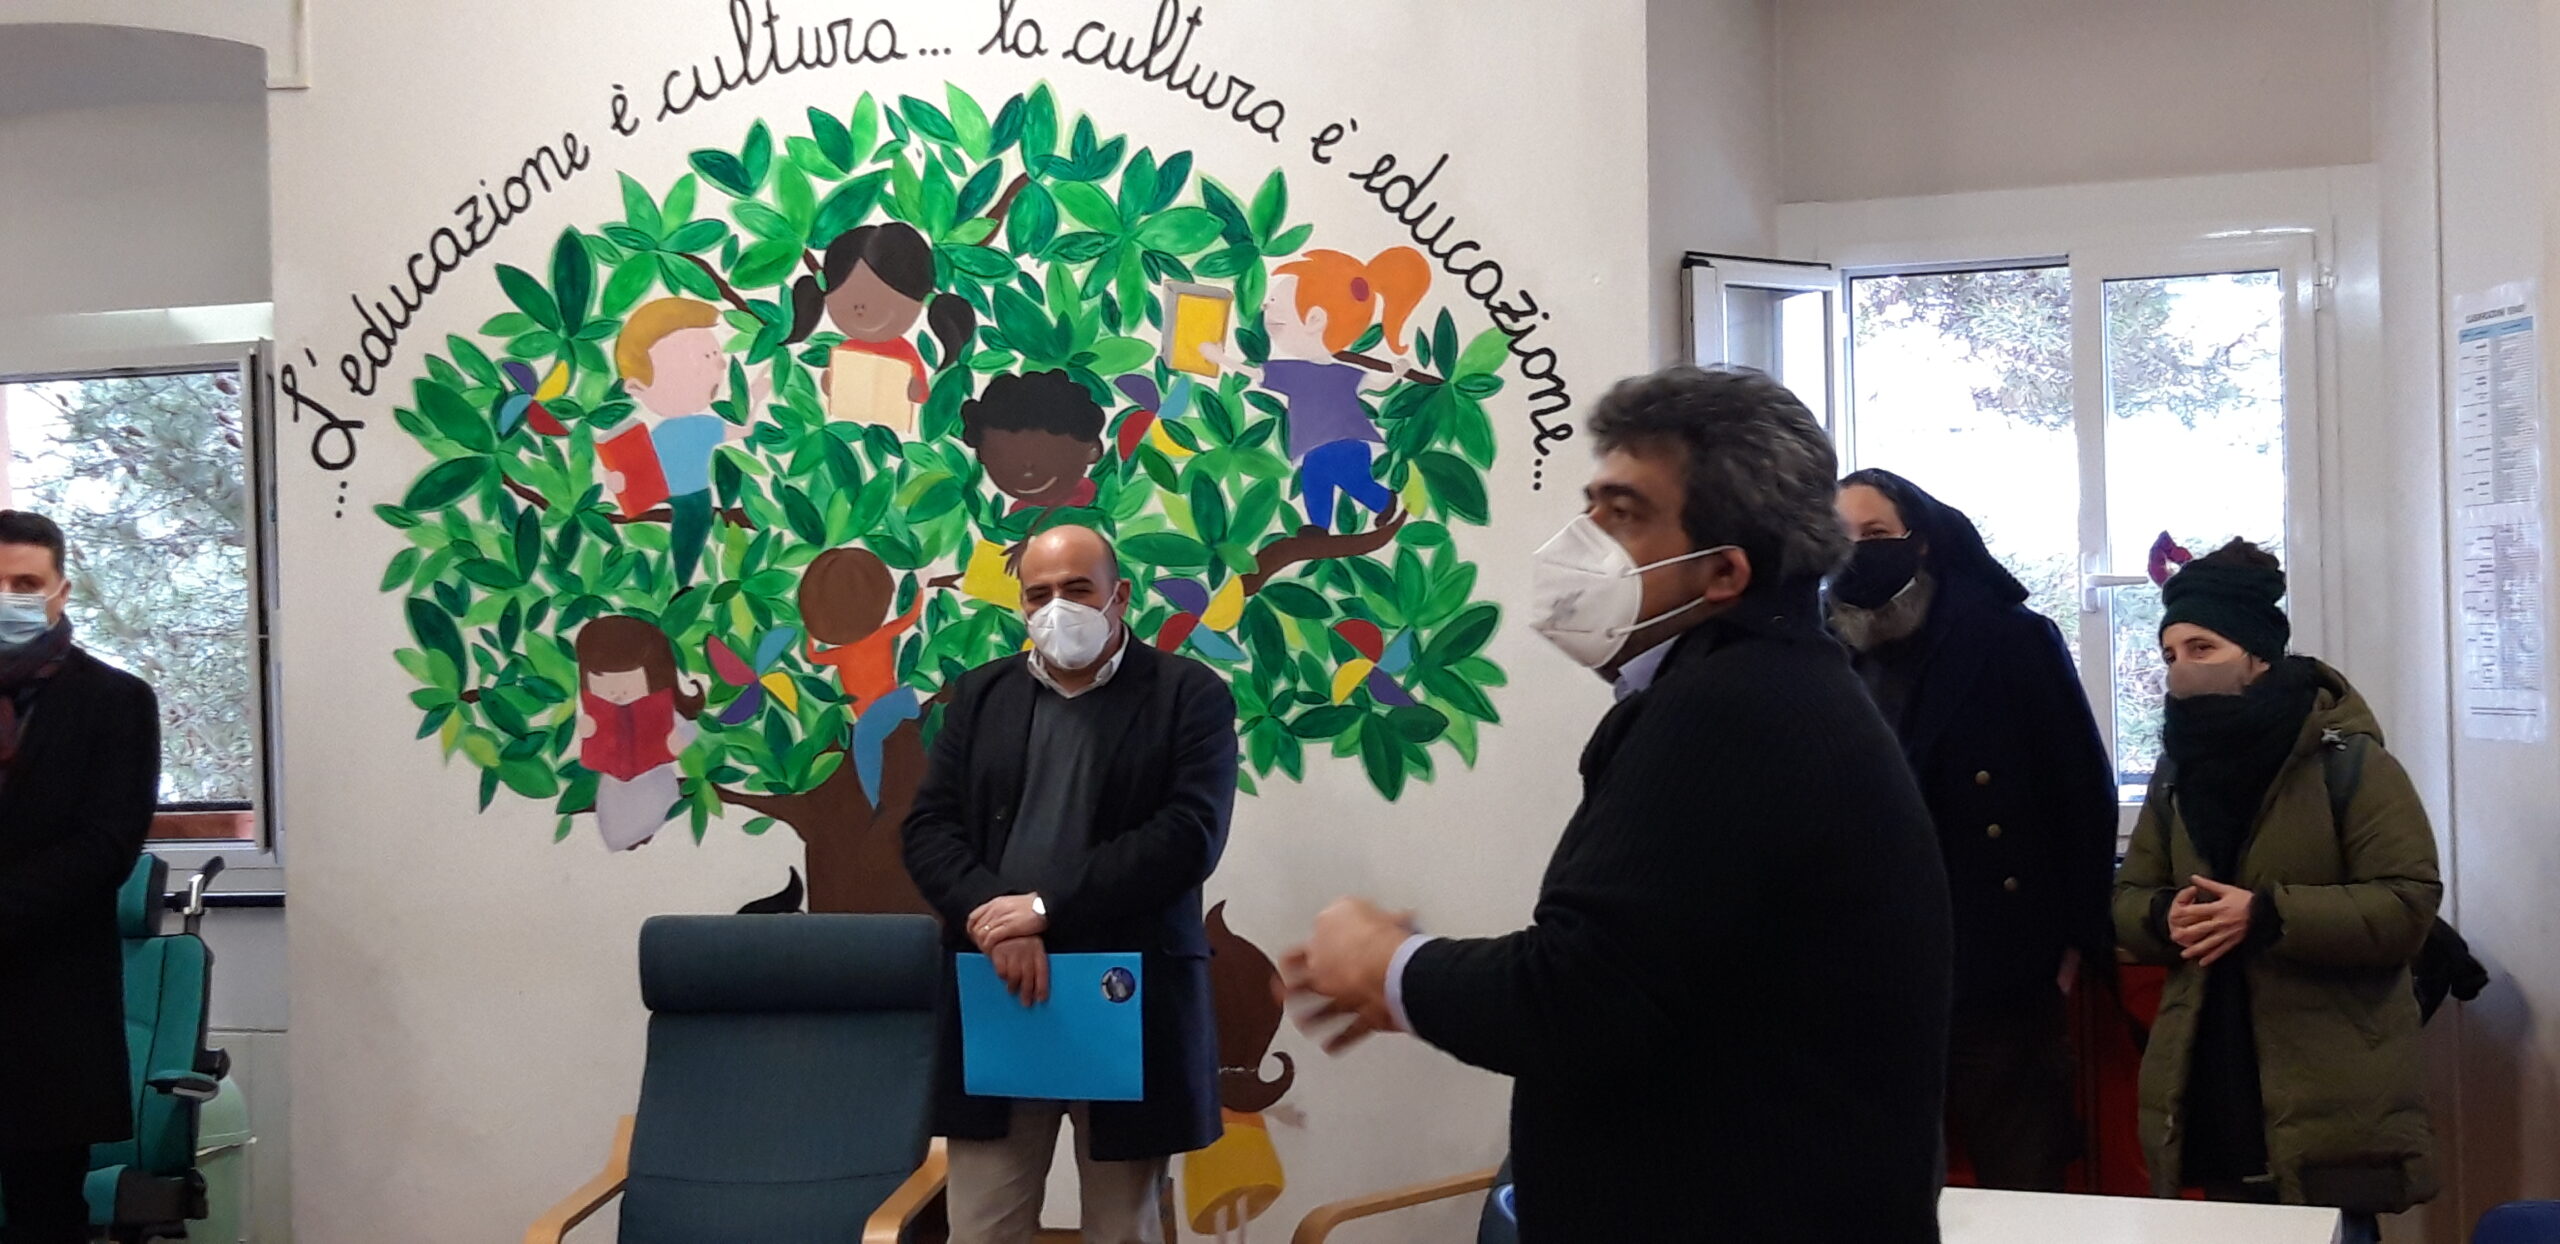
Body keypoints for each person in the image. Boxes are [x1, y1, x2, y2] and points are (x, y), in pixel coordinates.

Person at [1278, 368, 1952, 1242]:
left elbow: (1583, 995)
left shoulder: (1733, 710)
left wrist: (1394, 968)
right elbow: (1649, 972)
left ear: (1725, 570)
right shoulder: (1769, 688)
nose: (1581, 541)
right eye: (1591, 505)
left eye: (1624, 513)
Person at [902, 524, 1236, 1244]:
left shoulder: (1189, 696)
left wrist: (1043, 909)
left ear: (1120, 596)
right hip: (1000, 990)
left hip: (1126, 1000)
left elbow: (1188, 836)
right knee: (982, 1227)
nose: (1057, 607)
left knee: (1121, 1229)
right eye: (1039, 593)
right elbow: (928, 828)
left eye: (1078, 589)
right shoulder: (980, 695)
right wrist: (995, 919)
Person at [2112, 539, 2439, 1244]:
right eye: (2170, 654)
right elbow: (2129, 898)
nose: (2182, 668)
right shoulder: (2178, 769)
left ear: (2257, 653)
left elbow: (2407, 903)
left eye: (2202, 648)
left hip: (2329, 1085)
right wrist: (2167, 916)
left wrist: (2266, 915)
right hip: (2213, 1075)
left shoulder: (2348, 761)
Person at [1832, 469, 2118, 1191]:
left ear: (1921, 541)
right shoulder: (1824, 650)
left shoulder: (2008, 637)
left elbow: (2079, 791)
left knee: (2022, 1181)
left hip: (2001, 962)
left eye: (1876, 534)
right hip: (1875, 970)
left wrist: (2072, 938)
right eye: (1839, 538)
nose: (1857, 553)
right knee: (1886, 1185)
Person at [0, 510, 161, 1243]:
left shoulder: (116, 702)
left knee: (44, 1217)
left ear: (60, 591)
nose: (9, 599)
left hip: (51, 1011)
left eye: (25, 583)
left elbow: (106, 844)